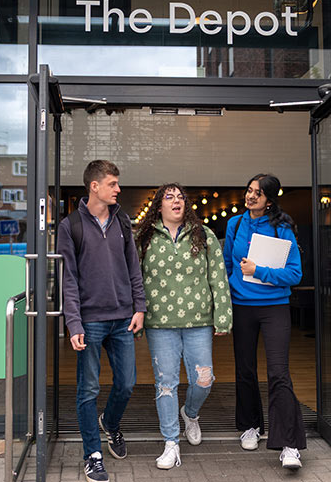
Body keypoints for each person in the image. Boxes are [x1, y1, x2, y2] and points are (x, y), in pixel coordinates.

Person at [57, 160, 146, 482]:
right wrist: (74, 323)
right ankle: (92, 454)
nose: (118, 189)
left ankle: (110, 423)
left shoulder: (122, 221)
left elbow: (133, 267)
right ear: (94, 186)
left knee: (126, 383)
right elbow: (68, 279)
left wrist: (139, 307)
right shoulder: (71, 226)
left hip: (123, 317)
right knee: (88, 389)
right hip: (91, 320)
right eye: (112, 183)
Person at [135, 183, 232, 470]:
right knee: (166, 385)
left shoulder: (204, 234)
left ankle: (190, 413)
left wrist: (223, 315)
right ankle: (171, 443)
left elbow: (218, 276)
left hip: (199, 322)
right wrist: (136, 314)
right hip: (160, 324)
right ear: (159, 205)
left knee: (205, 379)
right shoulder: (145, 236)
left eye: (181, 197)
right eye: (169, 197)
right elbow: (135, 280)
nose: (176, 201)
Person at [223, 173, 305, 470]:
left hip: (274, 308)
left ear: (269, 200)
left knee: (278, 372)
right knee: (245, 369)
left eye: (257, 193)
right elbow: (226, 266)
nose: (250, 196)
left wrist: (259, 271)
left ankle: (290, 444)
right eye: (248, 190)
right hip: (242, 306)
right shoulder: (235, 224)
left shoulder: (282, 228)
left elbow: (295, 274)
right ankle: (250, 427)